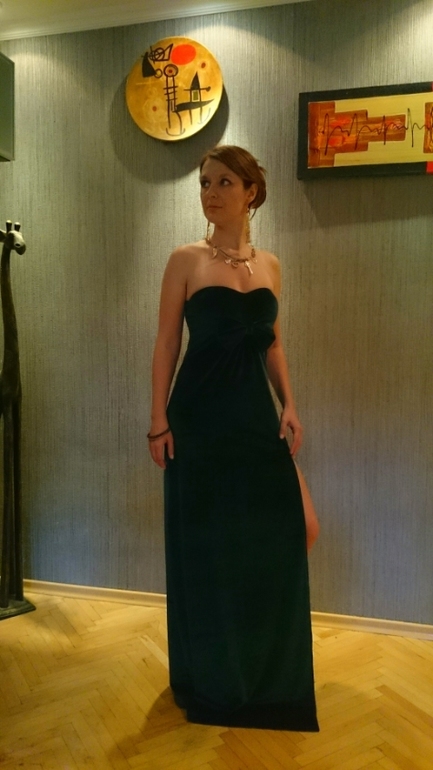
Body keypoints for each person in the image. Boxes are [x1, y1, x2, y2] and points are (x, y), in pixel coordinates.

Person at [148, 145, 320, 731]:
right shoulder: (185, 260)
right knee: (209, 549)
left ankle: (266, 674)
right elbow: (166, 343)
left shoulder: (270, 265)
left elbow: (273, 343)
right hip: (198, 422)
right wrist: (158, 420)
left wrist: (289, 403)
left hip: (253, 417)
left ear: (252, 193)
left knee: (293, 529)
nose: (211, 193)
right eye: (205, 183)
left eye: (225, 182)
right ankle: (213, 677)